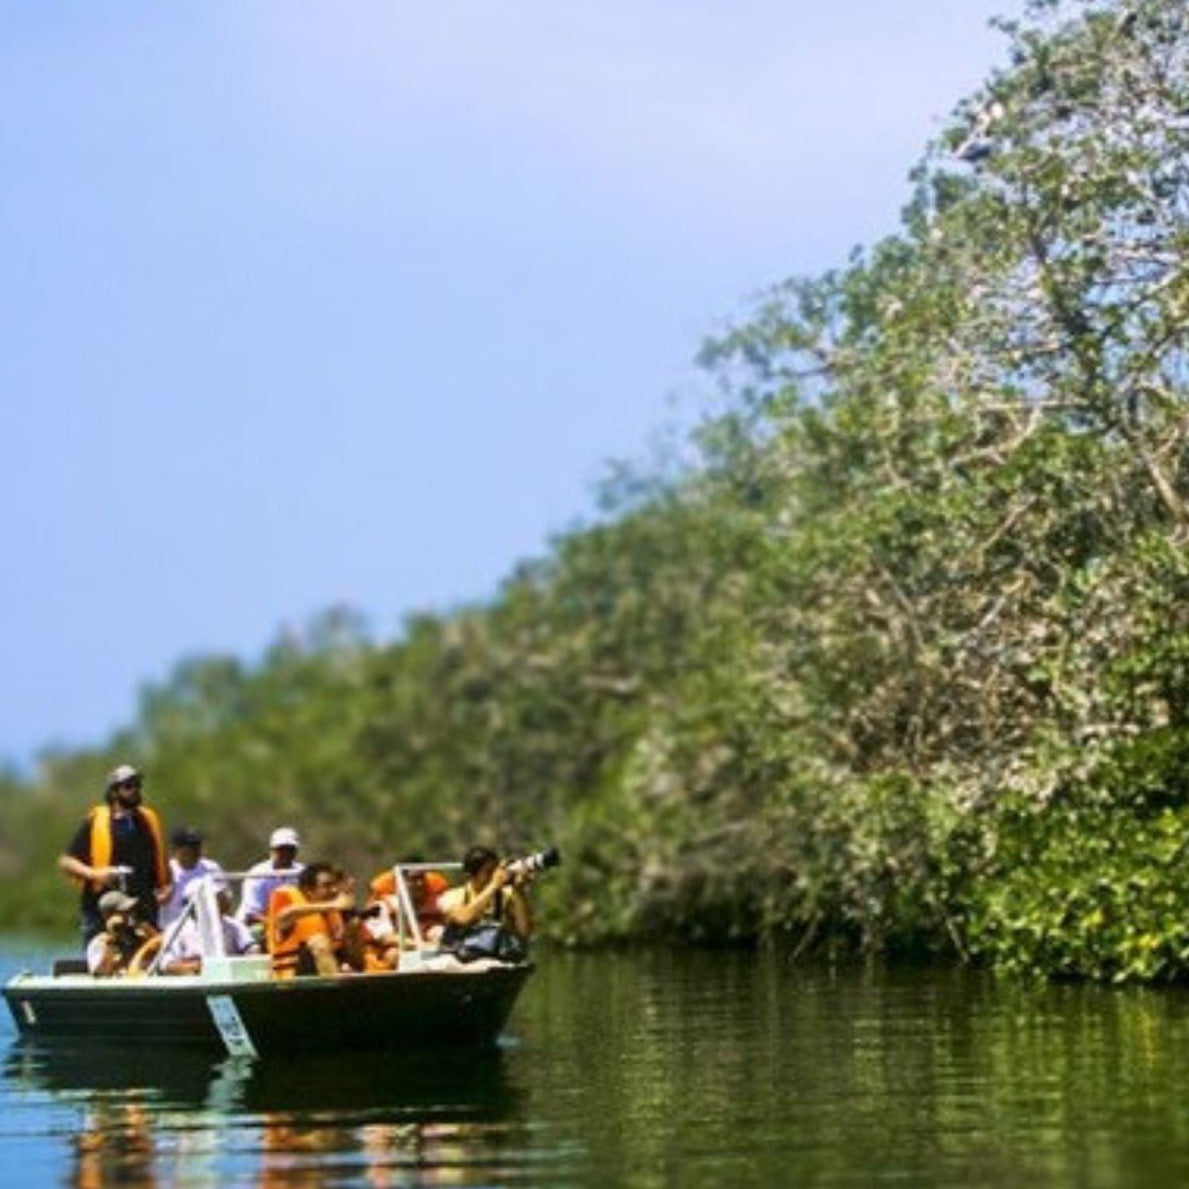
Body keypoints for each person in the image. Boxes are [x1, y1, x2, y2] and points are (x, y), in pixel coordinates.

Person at [58, 764, 172, 945]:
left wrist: (166, 887)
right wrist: (95, 874)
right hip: (102, 910)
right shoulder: (97, 820)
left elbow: (160, 861)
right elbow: (66, 862)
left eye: (137, 785)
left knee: (146, 960)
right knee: (102, 962)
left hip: (142, 910)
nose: (135, 790)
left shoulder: (148, 820)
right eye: (128, 786)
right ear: (114, 792)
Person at [267, 861, 359, 978]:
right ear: (308, 889)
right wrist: (334, 905)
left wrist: (353, 929)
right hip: (291, 980)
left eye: (335, 885)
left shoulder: (335, 914)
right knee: (319, 941)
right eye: (327, 886)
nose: (334, 890)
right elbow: (284, 917)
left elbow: (350, 954)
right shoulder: (286, 898)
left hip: (327, 971)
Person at [157, 880, 261, 975]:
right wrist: (197, 968)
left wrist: (241, 962)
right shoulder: (177, 929)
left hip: (230, 978)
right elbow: (167, 964)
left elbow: (252, 950)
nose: (224, 900)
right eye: (217, 898)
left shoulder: (234, 925)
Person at [438, 845, 534, 945]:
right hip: (460, 955)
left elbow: (524, 932)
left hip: (495, 955)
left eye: (495, 870)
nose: (494, 876)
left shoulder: (505, 896)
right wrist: (494, 885)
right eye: (488, 872)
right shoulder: (452, 897)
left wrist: (518, 891)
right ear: (471, 875)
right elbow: (464, 918)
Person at [237, 826, 304, 935]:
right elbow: (252, 915)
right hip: (257, 925)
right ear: (272, 850)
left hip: (291, 923)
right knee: (257, 932)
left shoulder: (302, 872)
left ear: (296, 851)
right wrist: (278, 924)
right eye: (281, 849)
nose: (286, 853)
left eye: (290, 849)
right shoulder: (258, 874)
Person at [158, 825, 226, 930]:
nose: (194, 851)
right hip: (171, 930)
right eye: (189, 846)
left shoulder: (211, 868)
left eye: (197, 845)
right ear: (176, 849)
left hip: (204, 930)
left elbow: (224, 903)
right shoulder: (166, 870)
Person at [85, 889, 160, 977]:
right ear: (108, 915)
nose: (129, 915)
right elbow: (100, 974)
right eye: (124, 912)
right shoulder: (100, 942)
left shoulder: (139, 934)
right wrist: (111, 941)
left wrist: (149, 934)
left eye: (130, 911)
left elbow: (165, 947)